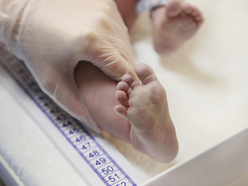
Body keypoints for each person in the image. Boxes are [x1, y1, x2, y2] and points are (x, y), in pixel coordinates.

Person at [0, 0, 203, 162]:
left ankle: (162, 17)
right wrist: (20, 13)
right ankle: (141, 132)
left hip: (106, 17)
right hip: (52, 25)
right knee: (88, 71)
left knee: (94, 67)